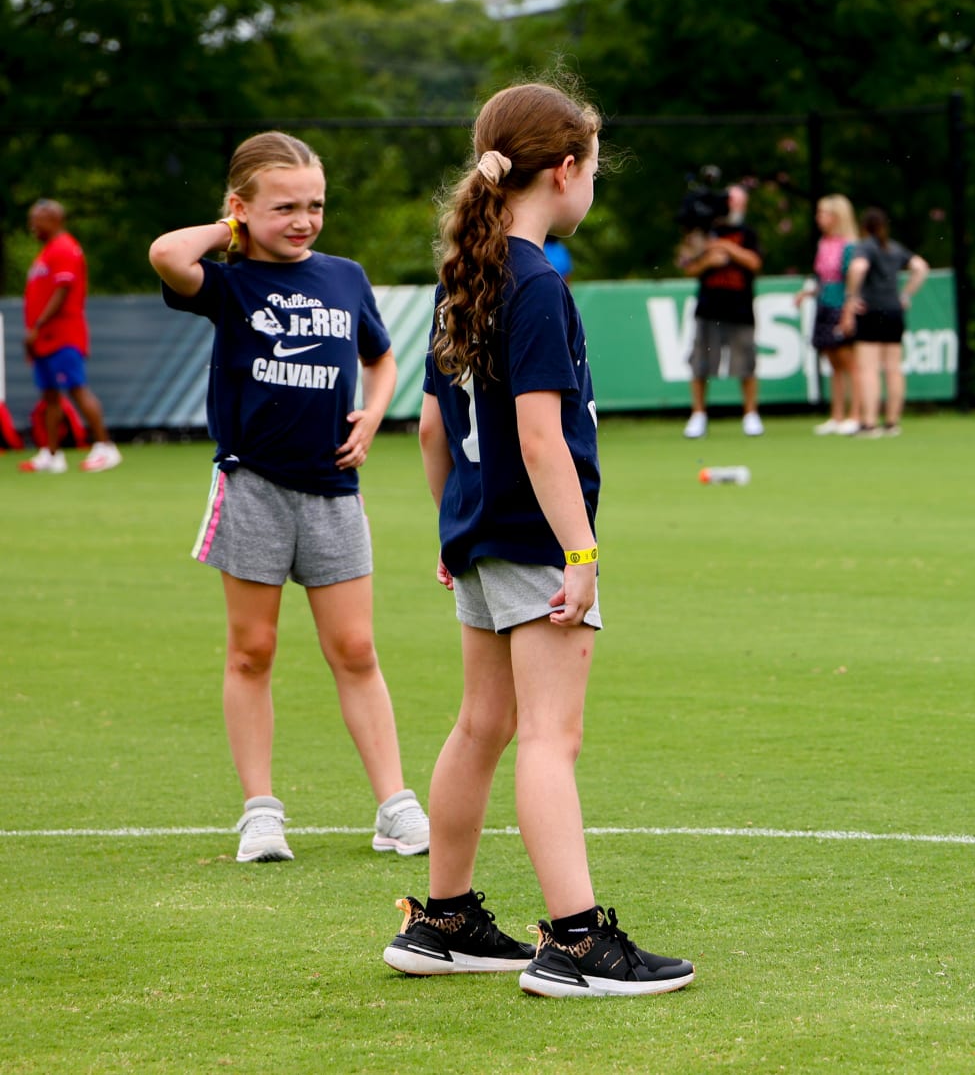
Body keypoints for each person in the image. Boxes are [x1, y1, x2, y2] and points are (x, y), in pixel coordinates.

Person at [383, 81, 693, 997]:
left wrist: (453, 530)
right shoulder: (538, 286)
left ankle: (445, 920)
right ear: (566, 171)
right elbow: (539, 436)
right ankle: (577, 942)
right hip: (535, 542)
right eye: (593, 167)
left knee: (482, 725)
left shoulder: (465, 279)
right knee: (549, 739)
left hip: (481, 536)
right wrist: (582, 555)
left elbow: (435, 431)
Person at [147, 133, 428, 865]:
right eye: (284, 207)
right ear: (241, 209)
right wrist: (231, 231)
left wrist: (373, 411)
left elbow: (382, 355)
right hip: (253, 488)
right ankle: (261, 813)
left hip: (335, 492)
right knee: (253, 651)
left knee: (356, 649)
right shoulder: (230, 282)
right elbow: (167, 257)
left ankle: (395, 807)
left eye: (315, 205)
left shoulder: (345, 276)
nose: (304, 219)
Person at [20, 200, 121, 473]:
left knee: (77, 389)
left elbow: (63, 290)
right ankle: (52, 455)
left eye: (36, 219)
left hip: (62, 335)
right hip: (43, 338)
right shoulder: (47, 252)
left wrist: (38, 324)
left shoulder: (64, 248)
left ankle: (105, 447)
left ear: (53, 218)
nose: (32, 226)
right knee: (50, 395)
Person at [678, 183, 764, 439]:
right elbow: (688, 266)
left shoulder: (747, 233)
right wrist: (707, 259)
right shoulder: (705, 231)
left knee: (746, 364)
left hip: (740, 308)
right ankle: (698, 415)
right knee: (700, 365)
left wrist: (727, 249)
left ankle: (750, 415)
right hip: (708, 308)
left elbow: (755, 263)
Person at [837, 207, 929, 437]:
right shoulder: (894, 248)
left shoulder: (865, 246)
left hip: (871, 310)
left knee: (869, 369)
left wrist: (851, 297)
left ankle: (869, 423)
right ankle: (892, 421)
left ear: (864, 226)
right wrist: (906, 295)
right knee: (893, 368)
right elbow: (920, 267)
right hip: (894, 311)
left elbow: (859, 268)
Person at [795, 194, 861, 435]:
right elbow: (825, 280)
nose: (818, 218)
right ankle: (837, 415)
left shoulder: (850, 246)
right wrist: (808, 294)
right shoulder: (824, 243)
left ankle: (856, 415)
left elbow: (850, 282)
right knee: (833, 363)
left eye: (823, 213)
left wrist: (848, 312)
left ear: (837, 217)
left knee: (849, 362)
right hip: (824, 304)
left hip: (841, 306)